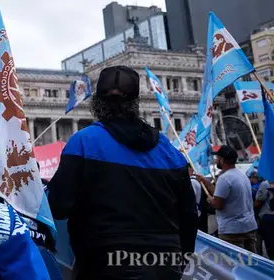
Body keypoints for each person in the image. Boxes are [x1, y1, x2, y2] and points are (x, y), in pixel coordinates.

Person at [47, 65, 196, 279]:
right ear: (135, 103)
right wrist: (180, 261)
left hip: (104, 262)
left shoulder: (84, 143)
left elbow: (58, 206)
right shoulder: (169, 151)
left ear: (97, 103)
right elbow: (189, 215)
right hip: (165, 262)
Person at [195, 145, 258, 252]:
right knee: (251, 264)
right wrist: (206, 182)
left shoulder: (224, 178)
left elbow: (218, 204)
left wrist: (210, 199)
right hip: (249, 227)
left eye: (218, 158)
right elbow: (222, 195)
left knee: (234, 264)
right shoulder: (241, 175)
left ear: (222, 160)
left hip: (232, 231)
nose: (216, 161)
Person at [255, 179, 274, 259]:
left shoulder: (266, 184)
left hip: (268, 217)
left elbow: (258, 200)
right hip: (268, 217)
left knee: (269, 244)